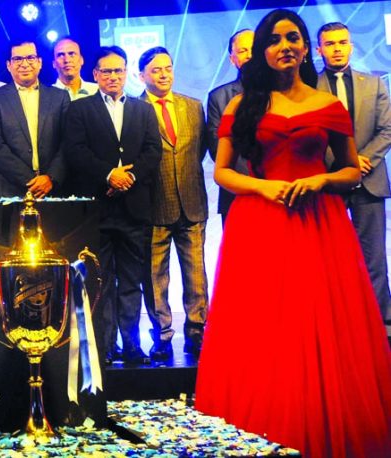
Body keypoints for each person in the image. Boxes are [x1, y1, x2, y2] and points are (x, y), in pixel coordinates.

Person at [195, 10, 391, 457]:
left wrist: (322, 180)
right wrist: (263, 186)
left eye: (294, 37)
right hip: (259, 223)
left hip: (319, 225)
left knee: (320, 321)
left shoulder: (329, 106)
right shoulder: (241, 105)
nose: (286, 45)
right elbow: (223, 172)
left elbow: (347, 170)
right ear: (263, 50)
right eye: (276, 39)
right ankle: (263, 424)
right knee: (265, 324)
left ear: (306, 48)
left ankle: (323, 424)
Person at [63, 46, 161, 366]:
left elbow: (152, 152)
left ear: (127, 72)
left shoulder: (143, 110)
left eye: (118, 71)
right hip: (99, 209)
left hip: (134, 209)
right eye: (106, 71)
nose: (113, 77)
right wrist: (109, 175)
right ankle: (104, 347)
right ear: (95, 75)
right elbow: (76, 153)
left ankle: (132, 345)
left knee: (132, 281)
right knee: (100, 281)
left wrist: (128, 179)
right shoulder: (80, 110)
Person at [316, 22, 391, 328]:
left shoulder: (374, 84)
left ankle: (379, 320)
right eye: (330, 44)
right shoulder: (308, 87)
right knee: (327, 258)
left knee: (373, 256)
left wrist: (361, 161)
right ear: (319, 49)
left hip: (369, 180)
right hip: (329, 182)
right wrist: (344, 164)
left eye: (341, 42)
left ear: (351, 46)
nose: (336, 48)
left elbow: (387, 130)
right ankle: (335, 320)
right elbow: (310, 137)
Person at [136, 47, 209, 361]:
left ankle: (197, 331)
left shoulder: (193, 106)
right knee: (155, 277)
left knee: (196, 274)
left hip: (191, 201)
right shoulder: (134, 109)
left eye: (167, 68)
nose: (163, 74)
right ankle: (162, 334)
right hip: (153, 206)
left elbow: (201, 150)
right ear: (142, 76)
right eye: (156, 70)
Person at [0, 39, 69, 198]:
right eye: (17, 59)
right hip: (10, 189)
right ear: (9, 65)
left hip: (52, 188)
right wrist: (31, 180)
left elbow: (67, 141)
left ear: (40, 62)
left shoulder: (60, 97)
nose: (25, 64)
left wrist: (50, 178)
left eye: (30, 58)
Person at [207, 29, 253, 224]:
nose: (250, 56)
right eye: (243, 51)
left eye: (254, 49)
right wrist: (252, 182)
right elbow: (217, 149)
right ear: (232, 59)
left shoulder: (284, 92)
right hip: (236, 194)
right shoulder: (219, 97)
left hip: (279, 192)